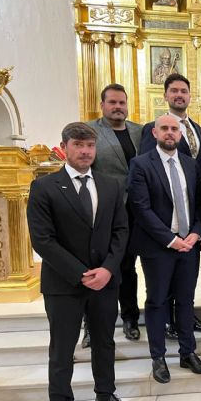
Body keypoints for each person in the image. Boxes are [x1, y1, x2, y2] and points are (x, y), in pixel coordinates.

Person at [27, 122, 135, 401]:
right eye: (78, 145)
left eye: (89, 145)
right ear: (64, 147)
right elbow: (42, 240)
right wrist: (80, 273)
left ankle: (106, 395)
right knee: (62, 349)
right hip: (64, 284)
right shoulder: (45, 187)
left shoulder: (110, 185)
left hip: (104, 281)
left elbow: (121, 231)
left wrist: (108, 269)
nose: (85, 151)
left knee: (104, 342)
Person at [128, 115, 201, 383]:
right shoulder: (141, 164)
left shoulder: (189, 164)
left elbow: (198, 204)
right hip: (158, 246)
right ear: (154, 133)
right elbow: (140, 208)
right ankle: (158, 357)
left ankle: (188, 352)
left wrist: (196, 232)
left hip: (189, 245)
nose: (170, 133)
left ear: (180, 134)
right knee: (157, 301)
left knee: (186, 301)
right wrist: (170, 239)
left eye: (175, 129)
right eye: (165, 128)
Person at [140, 73, 201, 338]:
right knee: (163, 276)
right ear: (166, 95)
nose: (179, 95)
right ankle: (167, 322)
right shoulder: (155, 127)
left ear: (189, 96)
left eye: (184, 91)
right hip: (163, 213)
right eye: (174, 91)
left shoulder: (196, 129)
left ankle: (184, 317)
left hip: (189, 207)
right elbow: (147, 167)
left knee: (185, 278)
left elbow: (199, 169)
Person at [86, 84, 143, 346]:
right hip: (103, 210)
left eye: (122, 102)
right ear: (103, 105)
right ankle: (91, 324)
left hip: (133, 209)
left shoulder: (139, 131)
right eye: (113, 103)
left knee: (127, 266)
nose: (118, 107)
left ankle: (130, 317)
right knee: (98, 266)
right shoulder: (91, 131)